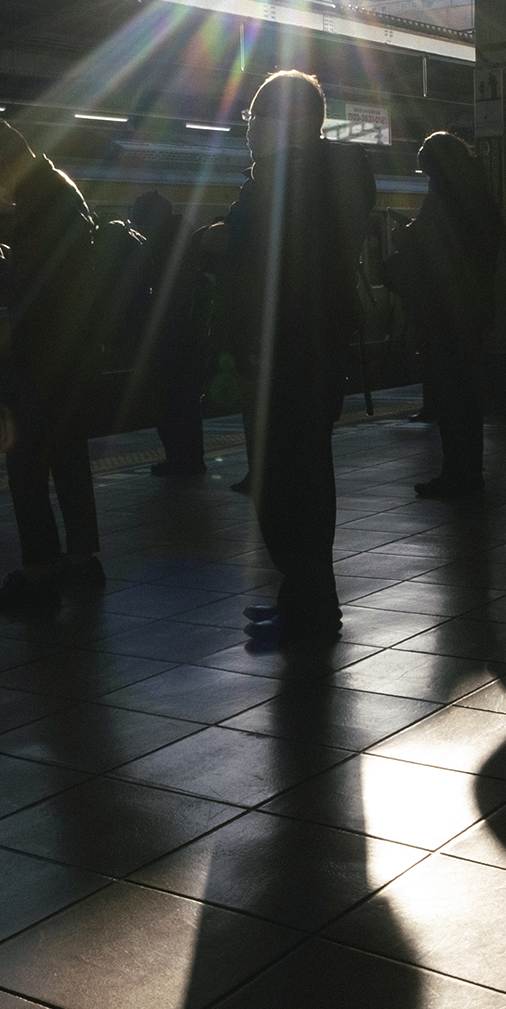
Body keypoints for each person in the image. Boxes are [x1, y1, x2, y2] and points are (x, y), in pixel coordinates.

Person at [210, 70, 373, 643]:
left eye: (259, 117)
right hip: (290, 351)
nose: (250, 129)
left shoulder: (304, 180)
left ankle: (310, 613)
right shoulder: (297, 176)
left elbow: (283, 257)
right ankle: (303, 599)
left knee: (290, 485)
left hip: (290, 352)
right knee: (291, 481)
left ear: (294, 122)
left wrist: (221, 241)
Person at [0, 118, 102, 612]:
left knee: (25, 464)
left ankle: (37, 577)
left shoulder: (41, 200)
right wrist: (6, 254)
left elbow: (41, 283)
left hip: (47, 357)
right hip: (70, 354)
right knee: (68, 459)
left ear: (1, 163)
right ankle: (82, 562)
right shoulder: (56, 189)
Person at [399, 131, 496, 497]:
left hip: (446, 310)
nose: (421, 161)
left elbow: (435, 245)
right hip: (471, 308)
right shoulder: (477, 190)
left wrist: (408, 237)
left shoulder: (445, 193)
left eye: (426, 156)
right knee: (465, 398)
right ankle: (466, 472)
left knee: (453, 398)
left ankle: (458, 475)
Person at [125, 190, 207, 475]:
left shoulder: (157, 246)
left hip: (166, 335)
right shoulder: (183, 236)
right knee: (186, 402)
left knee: (167, 401)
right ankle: (192, 459)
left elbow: (146, 287)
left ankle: (178, 459)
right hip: (188, 332)